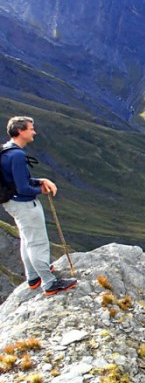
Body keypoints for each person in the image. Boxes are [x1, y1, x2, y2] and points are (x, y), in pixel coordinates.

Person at [1, 116, 77, 296]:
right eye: (31, 128)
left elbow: (15, 181)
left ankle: (33, 277)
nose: (34, 132)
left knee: (27, 239)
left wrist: (40, 180)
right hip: (25, 205)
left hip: (12, 203)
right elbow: (23, 187)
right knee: (38, 242)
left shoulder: (6, 150)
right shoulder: (18, 155)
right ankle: (50, 283)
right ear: (21, 131)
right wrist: (41, 190)